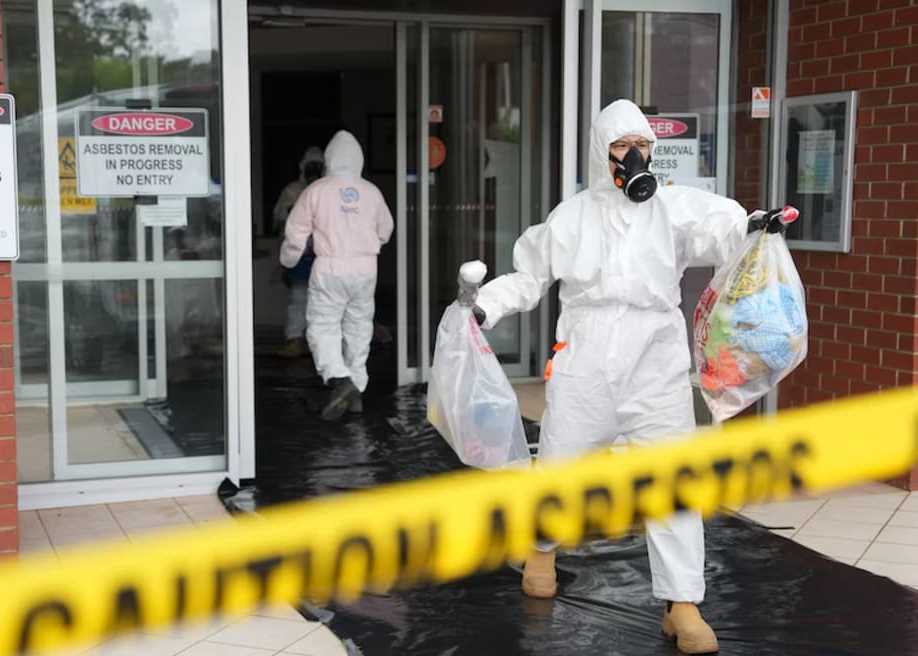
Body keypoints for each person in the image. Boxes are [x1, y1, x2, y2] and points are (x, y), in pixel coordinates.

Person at [471, 99, 786, 655]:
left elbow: (721, 227)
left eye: (642, 146)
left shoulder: (673, 207)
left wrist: (753, 227)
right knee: (561, 466)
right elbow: (528, 276)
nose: (633, 157)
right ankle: (542, 551)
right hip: (585, 359)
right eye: (621, 147)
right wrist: (485, 308)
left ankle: (682, 603)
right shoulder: (572, 216)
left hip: (655, 362)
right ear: (602, 152)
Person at [280, 130, 394, 420]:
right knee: (359, 328)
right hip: (365, 270)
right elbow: (386, 230)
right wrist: (366, 246)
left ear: (329, 159)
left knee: (323, 326)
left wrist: (289, 259)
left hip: (330, 268)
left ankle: (339, 378)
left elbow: (295, 232)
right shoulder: (371, 191)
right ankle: (356, 388)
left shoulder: (316, 191)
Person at [274, 147, 325, 359]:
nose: (314, 171)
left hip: (324, 255)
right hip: (301, 256)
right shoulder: (292, 191)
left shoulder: (328, 190)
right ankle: (294, 339)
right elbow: (278, 216)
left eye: (318, 166)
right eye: (311, 166)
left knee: (326, 303)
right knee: (298, 299)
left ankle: (323, 347)